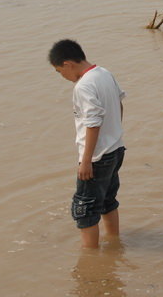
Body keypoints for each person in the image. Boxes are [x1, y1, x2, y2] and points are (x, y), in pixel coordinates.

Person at [48, 39, 126, 248]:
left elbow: (92, 123)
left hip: (98, 156)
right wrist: (115, 133)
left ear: (67, 64)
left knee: (84, 209)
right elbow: (119, 104)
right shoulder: (104, 73)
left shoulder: (83, 86)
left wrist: (86, 160)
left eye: (59, 71)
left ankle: (91, 257)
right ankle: (114, 241)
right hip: (116, 149)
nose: (62, 77)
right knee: (108, 200)